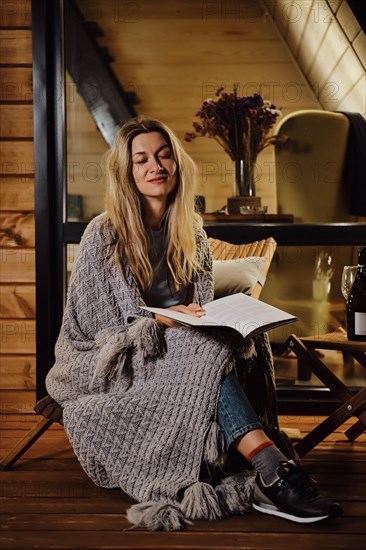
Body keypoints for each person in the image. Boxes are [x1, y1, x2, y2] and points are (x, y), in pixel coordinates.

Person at [46, 116, 342, 530]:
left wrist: (212, 321)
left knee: (225, 344)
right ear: (127, 173)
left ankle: (269, 472)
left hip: (186, 348)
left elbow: (199, 307)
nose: (156, 166)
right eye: (142, 159)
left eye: (164, 155)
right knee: (205, 348)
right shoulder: (104, 234)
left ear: (177, 164)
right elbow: (100, 333)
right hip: (118, 360)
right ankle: (273, 470)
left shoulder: (193, 234)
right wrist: (163, 321)